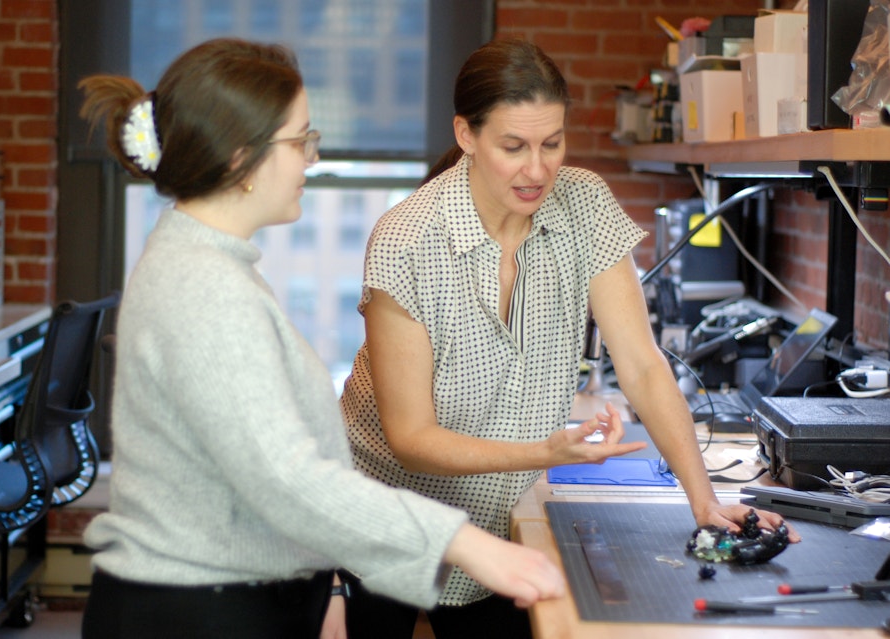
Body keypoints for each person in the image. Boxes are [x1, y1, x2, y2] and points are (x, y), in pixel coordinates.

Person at [75, 38, 567, 639]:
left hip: (234, 598)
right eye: (299, 141)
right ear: (240, 158)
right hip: (196, 611)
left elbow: (265, 469)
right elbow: (287, 479)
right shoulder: (202, 288)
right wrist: (466, 544)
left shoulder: (214, 265)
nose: (312, 158)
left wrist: (326, 584)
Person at [338, 38, 798, 639]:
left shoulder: (583, 204)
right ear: (466, 135)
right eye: (513, 147)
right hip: (390, 513)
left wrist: (704, 500)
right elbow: (412, 439)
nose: (538, 170)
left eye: (552, 143)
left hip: (501, 513)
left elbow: (641, 365)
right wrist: (547, 453)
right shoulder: (407, 240)